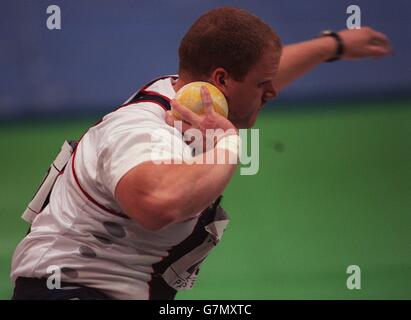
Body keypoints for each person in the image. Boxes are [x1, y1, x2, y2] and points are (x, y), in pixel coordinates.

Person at [10, 7, 392, 300]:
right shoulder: (140, 131)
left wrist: (333, 46)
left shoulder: (185, 93)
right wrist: (228, 144)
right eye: (264, 84)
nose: (272, 92)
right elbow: (158, 206)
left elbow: (255, 81)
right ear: (221, 80)